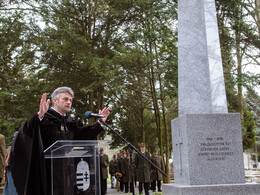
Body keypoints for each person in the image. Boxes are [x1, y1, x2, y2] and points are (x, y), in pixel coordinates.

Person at [4, 87, 110, 195]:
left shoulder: (69, 123)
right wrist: (39, 116)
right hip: (49, 174)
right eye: (65, 99)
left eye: (70, 100)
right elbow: (27, 134)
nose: (69, 102)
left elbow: (82, 135)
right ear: (55, 100)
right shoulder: (44, 120)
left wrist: (99, 123)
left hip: (68, 174)